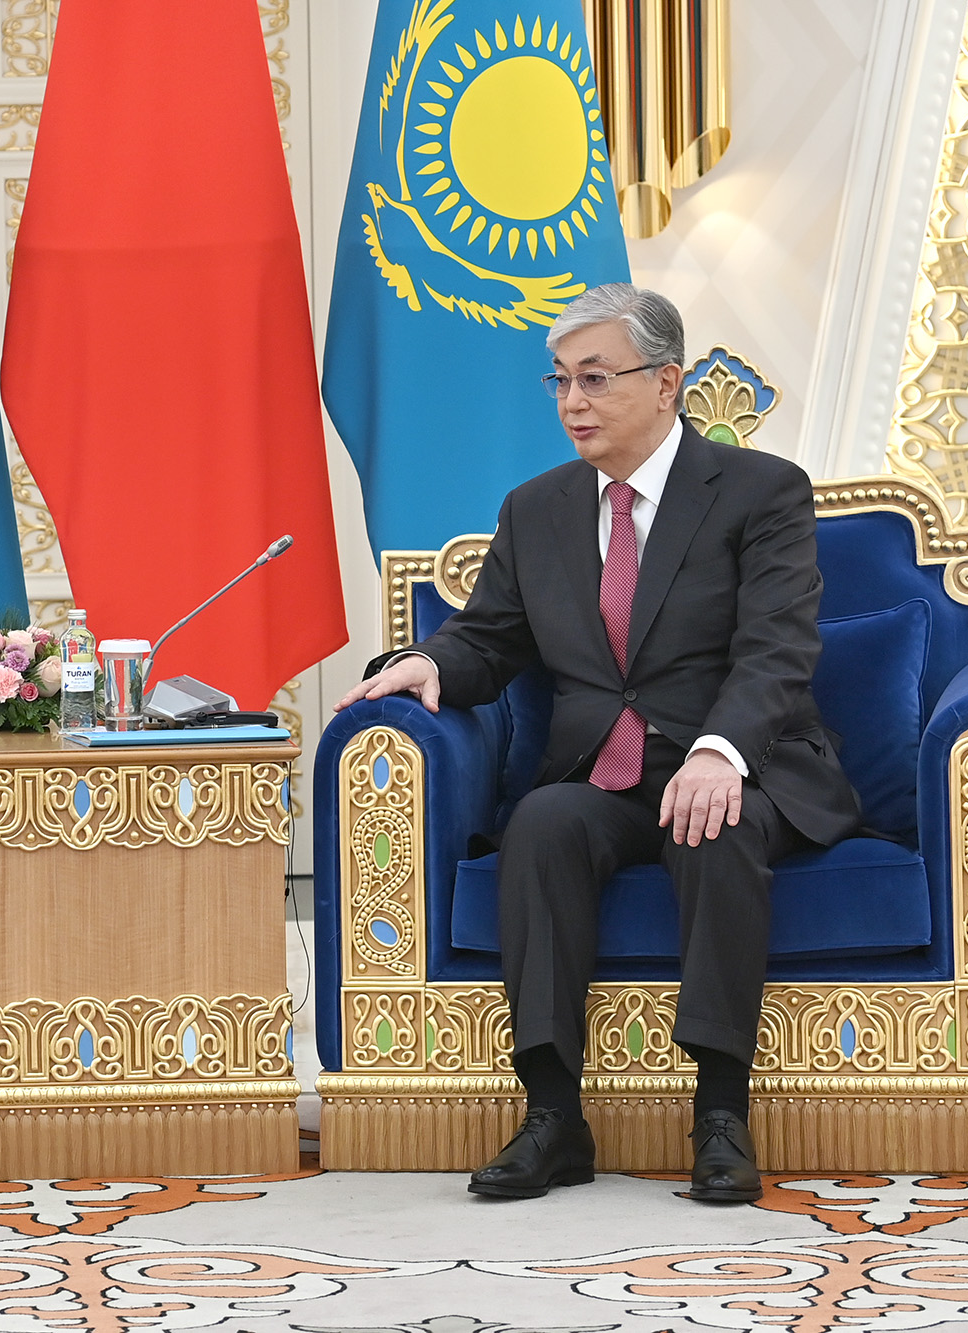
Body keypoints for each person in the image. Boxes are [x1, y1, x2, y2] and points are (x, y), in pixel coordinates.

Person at [334, 284, 860, 1204]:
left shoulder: (759, 492)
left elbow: (776, 646)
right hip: (605, 772)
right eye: (560, 381)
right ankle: (552, 1117)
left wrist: (719, 750)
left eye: (595, 378)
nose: (572, 402)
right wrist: (428, 663)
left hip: (741, 763)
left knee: (716, 824)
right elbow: (490, 638)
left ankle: (721, 1115)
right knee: (540, 824)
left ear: (666, 382)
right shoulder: (536, 508)